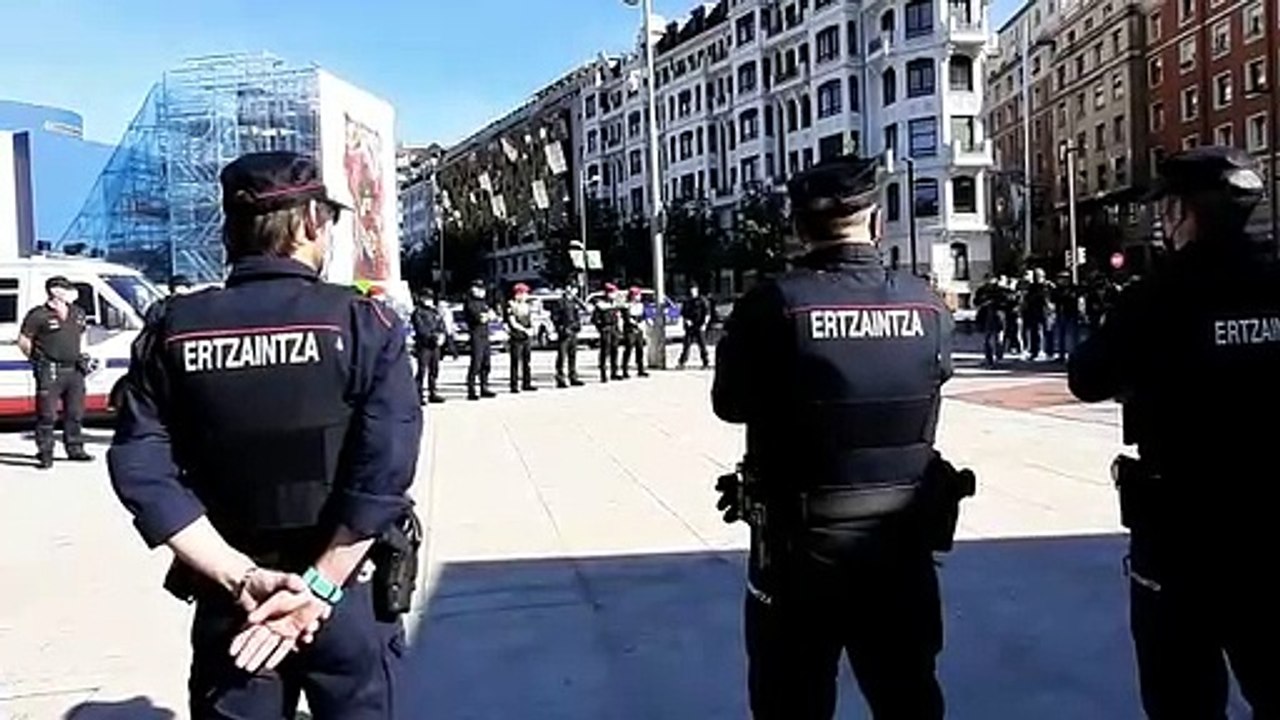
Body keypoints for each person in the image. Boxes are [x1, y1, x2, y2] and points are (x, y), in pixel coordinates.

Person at [106, 151, 422, 719]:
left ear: (231, 230)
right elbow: (385, 470)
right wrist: (318, 589)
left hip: (235, 597)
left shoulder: (174, 329)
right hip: (345, 591)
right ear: (309, 224)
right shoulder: (361, 322)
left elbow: (138, 465)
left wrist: (241, 577)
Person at [712, 155, 965, 720]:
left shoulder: (772, 305)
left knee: (791, 703)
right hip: (901, 547)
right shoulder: (927, 305)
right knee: (909, 699)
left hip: (800, 551)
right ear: (875, 221)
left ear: (799, 229)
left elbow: (729, 405)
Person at [1068, 146, 1279, 719]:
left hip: (1184, 532)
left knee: (1182, 696)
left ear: (1181, 213)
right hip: (1271, 528)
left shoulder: (1156, 299)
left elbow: (1086, 378)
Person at [18, 276, 94, 469]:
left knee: (75, 412)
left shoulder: (78, 312)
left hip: (74, 370)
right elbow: (24, 340)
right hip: (50, 370)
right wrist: (36, 360)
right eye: (67, 289)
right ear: (55, 291)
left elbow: (82, 335)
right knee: (47, 414)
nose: (72, 293)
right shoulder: (38, 315)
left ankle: (75, 448)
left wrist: (84, 355)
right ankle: (45, 452)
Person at [411, 289, 446, 404]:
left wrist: (441, 334)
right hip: (424, 346)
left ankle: (433, 392)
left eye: (430, 298)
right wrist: (432, 337)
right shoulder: (418, 312)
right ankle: (418, 394)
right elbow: (421, 329)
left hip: (435, 346)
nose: (428, 300)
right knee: (422, 370)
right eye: (426, 298)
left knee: (434, 369)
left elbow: (441, 324)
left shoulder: (434, 311)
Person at [463, 280, 496, 401]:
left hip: (485, 334)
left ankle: (484, 387)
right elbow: (480, 318)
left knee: (486, 363)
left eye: (483, 289)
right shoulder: (470, 303)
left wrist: (487, 316)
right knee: (476, 363)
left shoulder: (483, 303)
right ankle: (471, 390)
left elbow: (493, 316)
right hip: (476, 334)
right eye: (479, 289)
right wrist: (487, 316)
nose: (483, 291)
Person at [506, 282, 536, 393]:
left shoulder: (527, 306)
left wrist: (532, 328)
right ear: (517, 294)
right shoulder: (511, 305)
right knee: (515, 362)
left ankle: (526, 383)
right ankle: (514, 385)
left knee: (527, 361)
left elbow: (530, 319)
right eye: (524, 293)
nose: (526, 296)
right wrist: (525, 330)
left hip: (526, 337)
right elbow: (512, 322)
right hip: (516, 337)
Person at [552, 285, 584, 388]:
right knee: (562, 356)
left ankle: (573, 377)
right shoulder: (560, 302)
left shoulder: (575, 302)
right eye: (570, 289)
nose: (573, 291)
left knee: (572, 355)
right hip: (564, 332)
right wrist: (561, 328)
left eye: (575, 289)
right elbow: (555, 317)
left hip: (573, 331)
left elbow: (577, 316)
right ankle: (560, 378)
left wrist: (578, 326)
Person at [592, 282, 622, 383]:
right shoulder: (600, 305)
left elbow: (617, 317)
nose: (614, 294)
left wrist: (618, 329)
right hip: (606, 329)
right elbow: (595, 319)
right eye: (612, 292)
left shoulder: (614, 304)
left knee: (615, 351)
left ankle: (614, 372)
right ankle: (603, 374)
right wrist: (601, 329)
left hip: (614, 329)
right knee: (605, 352)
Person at [620, 286, 650, 379]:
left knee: (640, 349)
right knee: (628, 349)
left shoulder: (640, 305)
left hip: (639, 330)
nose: (639, 297)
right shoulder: (627, 305)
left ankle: (641, 370)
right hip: (630, 330)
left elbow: (644, 316)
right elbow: (627, 318)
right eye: (637, 295)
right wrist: (635, 324)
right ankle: (625, 370)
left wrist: (645, 322)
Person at [679, 284, 711, 370]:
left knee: (702, 345)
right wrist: (686, 321)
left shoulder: (702, 300)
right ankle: (682, 362)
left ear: (697, 290)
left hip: (699, 326)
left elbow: (707, 314)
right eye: (691, 290)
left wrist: (704, 325)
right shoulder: (687, 301)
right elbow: (683, 314)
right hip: (690, 327)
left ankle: (706, 362)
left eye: (693, 290)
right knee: (686, 345)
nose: (692, 292)